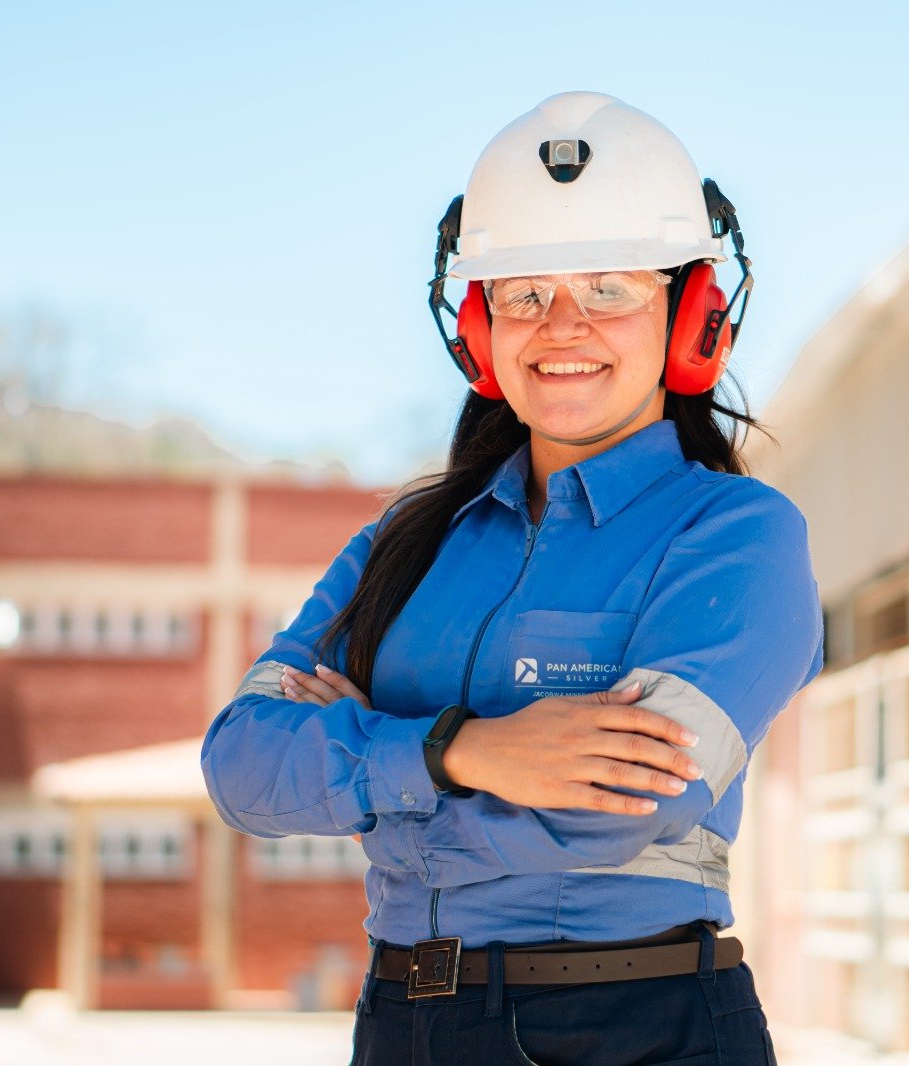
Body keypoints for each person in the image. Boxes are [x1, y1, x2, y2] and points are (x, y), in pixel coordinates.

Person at [201, 91, 822, 1065]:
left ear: (693, 316)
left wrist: (357, 768)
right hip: (405, 1019)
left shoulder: (737, 537)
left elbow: (623, 801)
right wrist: (466, 752)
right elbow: (242, 764)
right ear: (479, 331)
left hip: (636, 1027)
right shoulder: (403, 543)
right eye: (524, 293)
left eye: (611, 287)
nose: (562, 325)